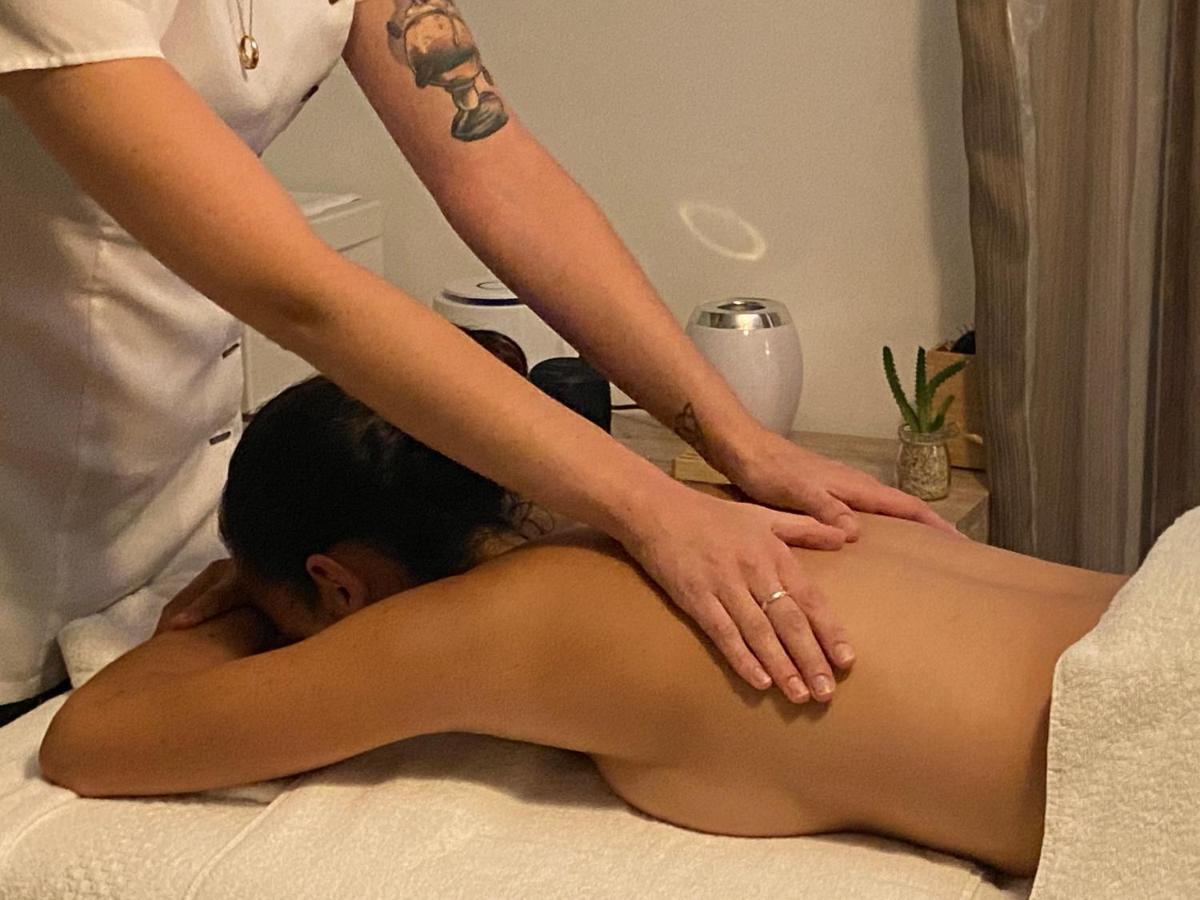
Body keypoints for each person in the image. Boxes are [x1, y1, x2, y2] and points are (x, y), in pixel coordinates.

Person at [0, 0, 955, 725]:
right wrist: (653, 506)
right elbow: (299, 291)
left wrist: (741, 443)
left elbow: (494, 170)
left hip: (162, 468)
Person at [39, 358, 1125, 876]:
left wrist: (240, 606)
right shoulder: (701, 513)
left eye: (297, 611)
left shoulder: (498, 620)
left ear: (340, 584)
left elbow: (93, 742)